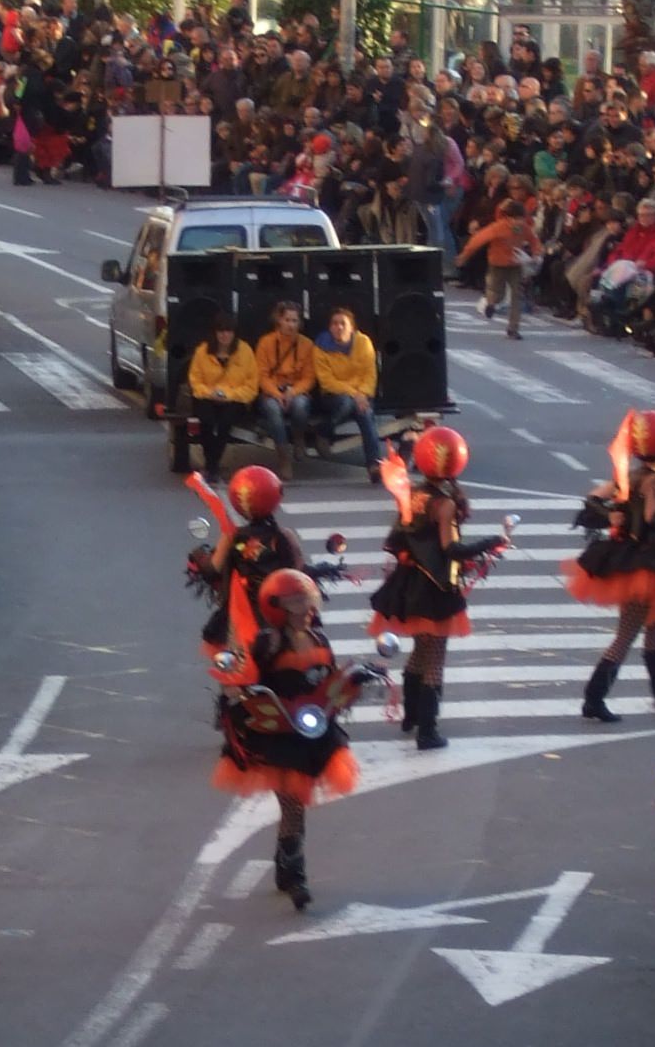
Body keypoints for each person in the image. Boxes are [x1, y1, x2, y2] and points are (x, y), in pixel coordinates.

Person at [213, 566, 369, 911]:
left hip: (312, 733)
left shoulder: (319, 640)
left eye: (308, 602)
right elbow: (243, 678)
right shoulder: (268, 644)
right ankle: (296, 875)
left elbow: (330, 680)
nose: (307, 610)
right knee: (294, 805)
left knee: (296, 808)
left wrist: (355, 680)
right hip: (279, 737)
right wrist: (239, 690)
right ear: (277, 609)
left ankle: (285, 867)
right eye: (297, 604)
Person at [368, 425, 505, 750]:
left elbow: (396, 540)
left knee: (420, 651)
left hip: (408, 584)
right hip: (434, 588)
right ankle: (428, 731)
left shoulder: (413, 494)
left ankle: (412, 716)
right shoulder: (444, 504)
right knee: (435, 659)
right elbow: (450, 549)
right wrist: (490, 542)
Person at [568, 408, 655, 723]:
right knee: (626, 634)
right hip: (645, 563)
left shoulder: (631, 476)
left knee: (654, 626)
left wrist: (611, 515)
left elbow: (592, 499)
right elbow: (653, 519)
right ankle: (594, 698)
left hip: (627, 557)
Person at [306, 307, 382, 483]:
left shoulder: (364, 342)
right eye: (334, 323)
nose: (338, 327)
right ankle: (323, 431)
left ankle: (374, 464)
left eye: (343, 323)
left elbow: (370, 375)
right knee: (346, 403)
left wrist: (362, 394)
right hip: (333, 395)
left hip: (361, 395)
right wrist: (355, 394)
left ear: (352, 327)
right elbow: (327, 381)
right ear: (329, 327)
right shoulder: (320, 347)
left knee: (366, 414)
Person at [186, 312, 260, 483]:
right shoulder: (202, 351)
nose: (225, 335)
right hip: (207, 397)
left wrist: (229, 395)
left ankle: (211, 466)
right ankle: (212, 466)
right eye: (221, 331)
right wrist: (209, 393)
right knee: (206, 421)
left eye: (228, 331)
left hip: (235, 400)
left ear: (234, 333)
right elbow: (195, 380)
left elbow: (251, 386)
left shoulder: (245, 351)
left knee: (225, 423)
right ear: (215, 333)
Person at [457, 195, 541, 337]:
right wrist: (465, 255)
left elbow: (533, 240)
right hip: (497, 264)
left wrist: (536, 253)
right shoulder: (498, 227)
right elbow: (477, 240)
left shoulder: (524, 228)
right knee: (497, 293)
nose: (520, 222)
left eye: (521, 218)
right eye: (517, 218)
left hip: (515, 264)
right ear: (509, 218)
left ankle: (513, 328)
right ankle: (491, 303)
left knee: (516, 295)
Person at [254, 298, 318, 469]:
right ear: (279, 320)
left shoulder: (307, 344)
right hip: (272, 392)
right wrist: (277, 394)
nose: (291, 325)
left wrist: (292, 392)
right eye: (287, 320)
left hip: (296, 391)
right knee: (273, 410)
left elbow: (309, 378)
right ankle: (284, 457)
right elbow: (261, 376)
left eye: (294, 321)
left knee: (301, 406)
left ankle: (299, 438)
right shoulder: (265, 342)